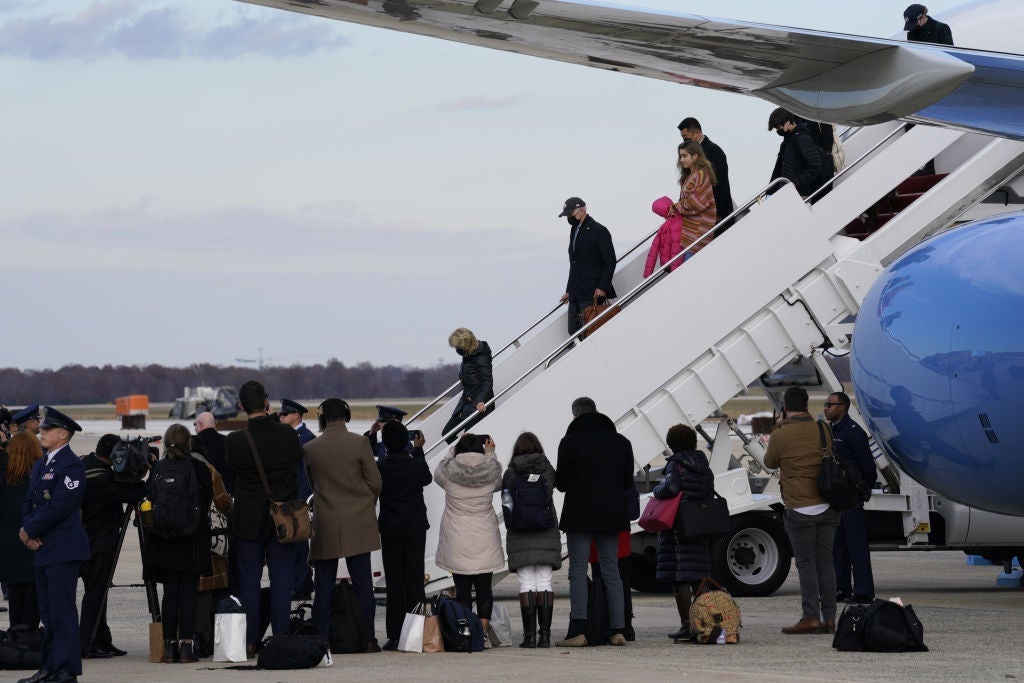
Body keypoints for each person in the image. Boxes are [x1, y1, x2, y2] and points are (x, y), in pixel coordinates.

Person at [224, 380, 303, 657]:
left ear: (242, 406)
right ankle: (280, 636)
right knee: (282, 580)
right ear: (267, 403)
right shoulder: (287, 435)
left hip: (248, 518)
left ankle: (250, 640)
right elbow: (296, 465)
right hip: (282, 516)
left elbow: (233, 473)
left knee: (249, 582)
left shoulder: (235, 441)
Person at [303, 397, 383, 651]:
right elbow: (375, 482)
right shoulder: (360, 443)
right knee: (363, 585)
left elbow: (312, 483)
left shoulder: (311, 448)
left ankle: (321, 639)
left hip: (326, 520)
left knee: (323, 586)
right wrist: (365, 501)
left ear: (323, 418)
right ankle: (368, 638)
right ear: (346, 416)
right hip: (358, 518)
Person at [19, 407, 91, 683]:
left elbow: (62, 504)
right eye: (42, 428)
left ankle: (66, 669)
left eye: (48, 429)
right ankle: (49, 666)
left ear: (64, 434)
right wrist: (27, 530)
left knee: (62, 611)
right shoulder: (41, 464)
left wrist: (30, 529)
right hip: (43, 547)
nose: (41, 432)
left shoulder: (71, 465)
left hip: (63, 547)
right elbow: (30, 501)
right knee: (48, 613)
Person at [554, 397, 634, 647]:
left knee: (577, 571)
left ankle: (579, 630)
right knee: (612, 571)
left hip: (579, 515)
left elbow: (562, 484)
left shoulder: (569, 442)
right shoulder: (621, 442)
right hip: (612, 514)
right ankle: (618, 629)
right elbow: (626, 482)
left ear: (575, 416)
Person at [763, 387, 840, 635]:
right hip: (828, 505)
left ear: (785, 407)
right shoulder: (823, 428)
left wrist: (778, 427)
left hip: (800, 507)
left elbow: (769, 463)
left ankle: (810, 617)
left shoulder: (781, 434)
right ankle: (830, 618)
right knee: (826, 562)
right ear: (807, 405)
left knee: (806, 564)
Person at [143, 424, 213, 664]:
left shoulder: (158, 469)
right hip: (191, 539)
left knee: (170, 594)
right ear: (188, 443)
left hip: (164, 539)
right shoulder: (198, 468)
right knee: (189, 594)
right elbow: (208, 497)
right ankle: (186, 646)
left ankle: (169, 647)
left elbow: (149, 496)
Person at [434, 433, 504, 647]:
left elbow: (438, 470)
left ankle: (466, 631)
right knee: (485, 589)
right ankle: (481, 633)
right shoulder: (492, 471)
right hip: (485, 536)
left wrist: (453, 450)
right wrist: (491, 454)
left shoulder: (447, 473)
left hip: (457, 537)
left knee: (462, 589)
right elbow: (500, 481)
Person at [79, 434, 145, 658]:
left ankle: (102, 640)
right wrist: (145, 469)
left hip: (85, 539)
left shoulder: (86, 464)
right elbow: (134, 493)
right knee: (95, 593)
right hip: (98, 542)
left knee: (98, 592)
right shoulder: (101, 479)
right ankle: (86, 644)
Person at [652, 424, 715, 643]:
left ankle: (688, 625)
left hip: (679, 525)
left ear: (672, 444)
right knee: (698, 575)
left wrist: (656, 490)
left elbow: (671, 489)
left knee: (680, 577)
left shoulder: (676, 465)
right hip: (699, 522)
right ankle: (707, 623)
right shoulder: (703, 465)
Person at [501, 431, 561, 648]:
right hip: (546, 528)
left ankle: (529, 637)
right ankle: (545, 636)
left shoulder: (510, 472)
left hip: (520, 532)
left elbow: (506, 501)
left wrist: (512, 523)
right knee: (544, 581)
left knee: (526, 583)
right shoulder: (546, 469)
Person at [376, 421, 431, 651]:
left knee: (395, 582)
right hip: (415, 526)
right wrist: (418, 450)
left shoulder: (381, 468)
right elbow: (426, 478)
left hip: (390, 527)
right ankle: (416, 632)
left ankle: (395, 634)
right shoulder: (415, 464)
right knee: (415, 580)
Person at [823, 392, 877, 605]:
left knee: (856, 546)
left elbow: (867, 465)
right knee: (839, 546)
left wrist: (863, 489)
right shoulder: (832, 430)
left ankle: (863, 591)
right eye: (826, 404)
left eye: (830, 404)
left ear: (842, 407)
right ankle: (841, 588)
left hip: (851, 497)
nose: (826, 408)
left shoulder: (853, 432)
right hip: (837, 497)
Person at [1, 432, 43, 631]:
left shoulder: (6, 479)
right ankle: (28, 638)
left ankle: (16, 640)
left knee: (16, 598)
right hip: (34, 541)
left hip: (9, 545)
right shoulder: (38, 478)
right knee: (33, 597)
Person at [557, 197, 617, 336]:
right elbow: (574, 264)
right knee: (573, 332)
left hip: (592, 292)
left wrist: (602, 287)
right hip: (576, 294)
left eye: (570, 215)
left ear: (582, 210)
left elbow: (610, 261)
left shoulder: (599, 230)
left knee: (590, 331)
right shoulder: (574, 230)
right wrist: (569, 290)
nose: (568, 219)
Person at [278, 398, 315, 601]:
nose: (281, 417)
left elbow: (305, 474)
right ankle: (297, 583)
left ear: (296, 415)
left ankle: (302, 586)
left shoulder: (306, 438)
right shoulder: (289, 436)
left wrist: (301, 500)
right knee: (291, 545)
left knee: (299, 545)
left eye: (285, 414)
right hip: (288, 497)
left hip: (298, 498)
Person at [678, 117, 734, 231]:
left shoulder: (714, 151)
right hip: (698, 215)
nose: (685, 141)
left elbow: (720, 184)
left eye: (686, 137)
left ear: (697, 133)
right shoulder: (692, 153)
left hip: (714, 216)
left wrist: (718, 214)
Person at [442, 328, 494, 442]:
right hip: (465, 403)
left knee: (468, 440)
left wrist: (481, 401)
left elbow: (487, 381)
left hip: (477, 405)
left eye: (457, 346)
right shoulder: (468, 355)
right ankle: (462, 453)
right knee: (447, 434)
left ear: (464, 344)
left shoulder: (480, 357)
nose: (456, 349)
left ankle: (468, 455)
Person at [668, 141, 718, 258]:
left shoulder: (700, 175)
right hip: (690, 233)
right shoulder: (690, 176)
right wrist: (678, 206)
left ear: (695, 156)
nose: (681, 159)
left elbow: (695, 203)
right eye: (680, 156)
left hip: (698, 233)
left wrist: (677, 206)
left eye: (685, 156)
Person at [768, 107, 831, 199]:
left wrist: (795, 183)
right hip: (792, 194)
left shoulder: (801, 139)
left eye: (778, 127)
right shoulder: (787, 143)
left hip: (801, 194)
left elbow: (816, 166)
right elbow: (780, 170)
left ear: (788, 122)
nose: (778, 131)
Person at [643, 196, 684, 278]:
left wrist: (647, 274)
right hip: (671, 265)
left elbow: (653, 251)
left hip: (670, 266)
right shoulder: (681, 219)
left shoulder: (665, 226)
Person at [194, 412, 233, 495]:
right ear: (214, 425)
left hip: (204, 495)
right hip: (227, 494)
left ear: (200, 425)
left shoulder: (194, 444)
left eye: (195, 424)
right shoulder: (228, 441)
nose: (195, 428)